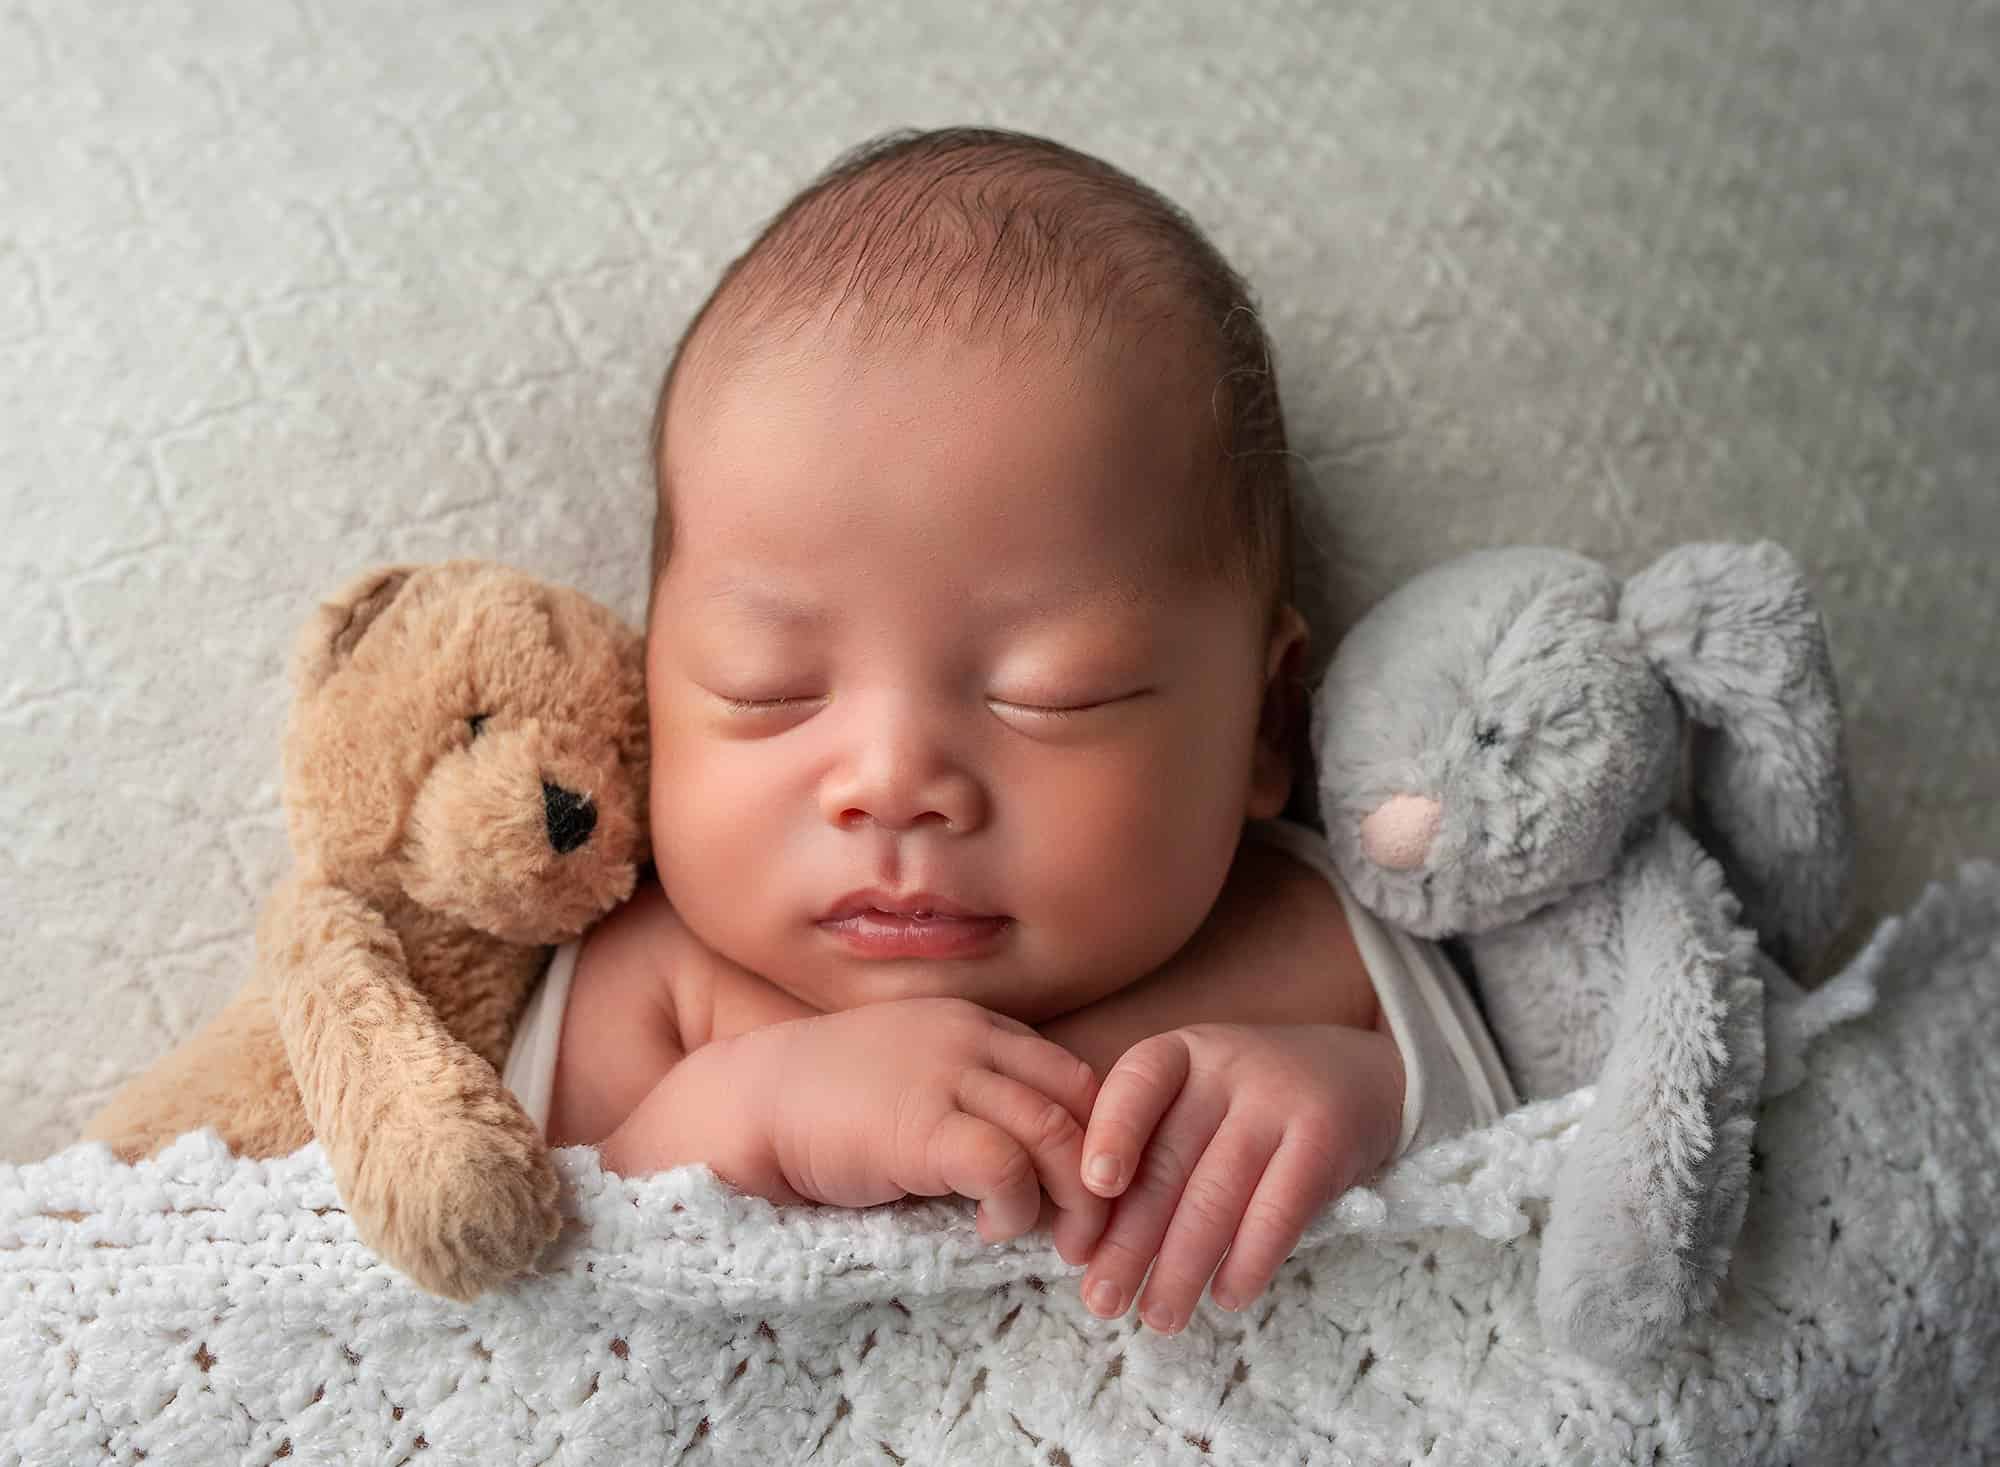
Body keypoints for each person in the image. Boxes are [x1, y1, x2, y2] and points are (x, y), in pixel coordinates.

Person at [501, 127, 1514, 1337]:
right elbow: (512, 1277)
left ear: (1266, 722)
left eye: (1053, 695)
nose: (891, 785)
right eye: (766, 685)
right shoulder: (660, 988)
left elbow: (1542, 1161)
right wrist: (735, 1122)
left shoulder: (1307, 949)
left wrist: (1364, 1102)